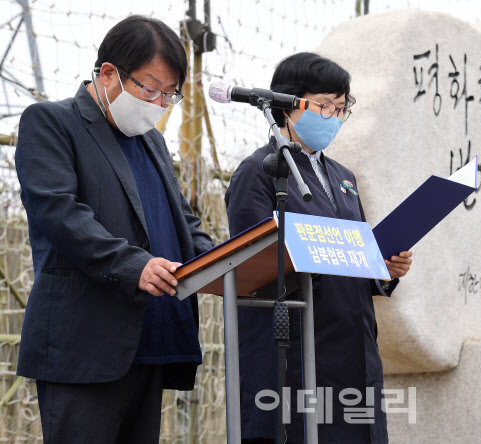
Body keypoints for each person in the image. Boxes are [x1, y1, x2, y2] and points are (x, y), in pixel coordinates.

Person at [14, 15, 213, 443]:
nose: (159, 103)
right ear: (108, 74)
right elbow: (59, 212)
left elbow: (181, 218)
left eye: (169, 95)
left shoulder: (152, 141)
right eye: (150, 88)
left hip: (150, 343)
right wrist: (132, 265)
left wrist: (219, 261)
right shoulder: (51, 123)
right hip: (85, 347)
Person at [225, 52, 413, 444]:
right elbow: (256, 267)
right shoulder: (259, 171)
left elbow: (355, 260)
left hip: (354, 351)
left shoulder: (343, 178)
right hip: (297, 354)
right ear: (286, 104)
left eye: (341, 108)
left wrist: (384, 270)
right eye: (323, 105)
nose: (333, 117)